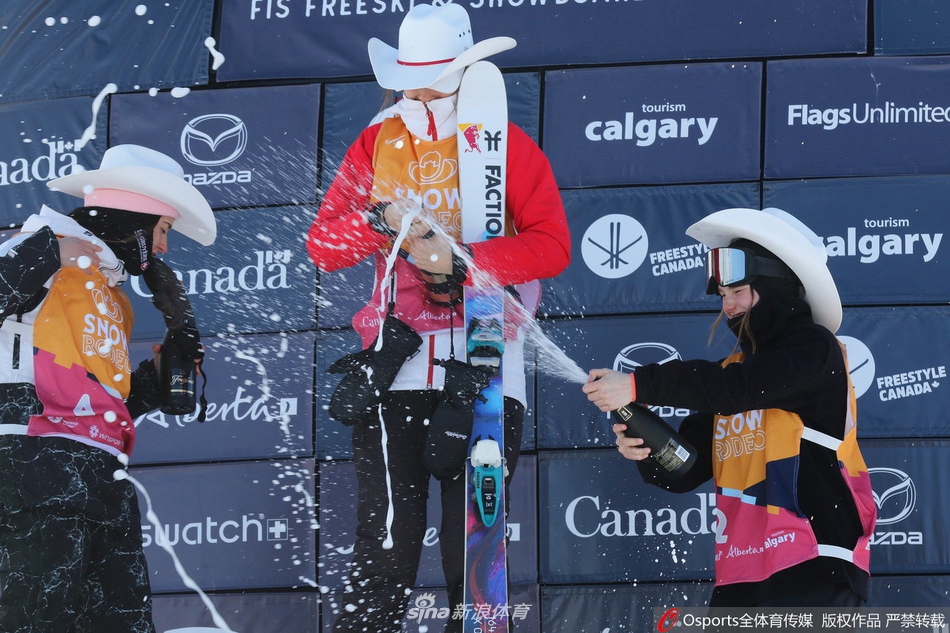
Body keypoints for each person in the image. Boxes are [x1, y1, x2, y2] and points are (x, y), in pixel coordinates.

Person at [307, 4, 570, 632]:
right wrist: (379, 221)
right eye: (408, 73)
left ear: (464, 69)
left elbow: (552, 245)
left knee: (474, 549)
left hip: (485, 357)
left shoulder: (503, 140)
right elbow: (322, 247)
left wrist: (467, 260)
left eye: (432, 72)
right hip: (394, 364)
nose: (416, 87)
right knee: (386, 544)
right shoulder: (377, 139)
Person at [582, 207, 876, 608]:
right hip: (741, 576)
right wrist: (645, 444)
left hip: (816, 566)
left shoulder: (814, 348)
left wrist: (639, 382)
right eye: (723, 296)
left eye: (738, 292)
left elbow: (741, 389)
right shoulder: (732, 373)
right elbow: (686, 470)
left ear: (775, 290)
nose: (729, 307)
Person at [0, 144, 217, 632]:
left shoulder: (111, 296)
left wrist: (153, 385)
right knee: (36, 617)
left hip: (102, 472)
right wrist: (49, 251)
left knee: (121, 618)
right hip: (29, 462)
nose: (162, 248)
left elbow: (97, 403)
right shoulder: (38, 244)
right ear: (134, 216)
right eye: (162, 230)